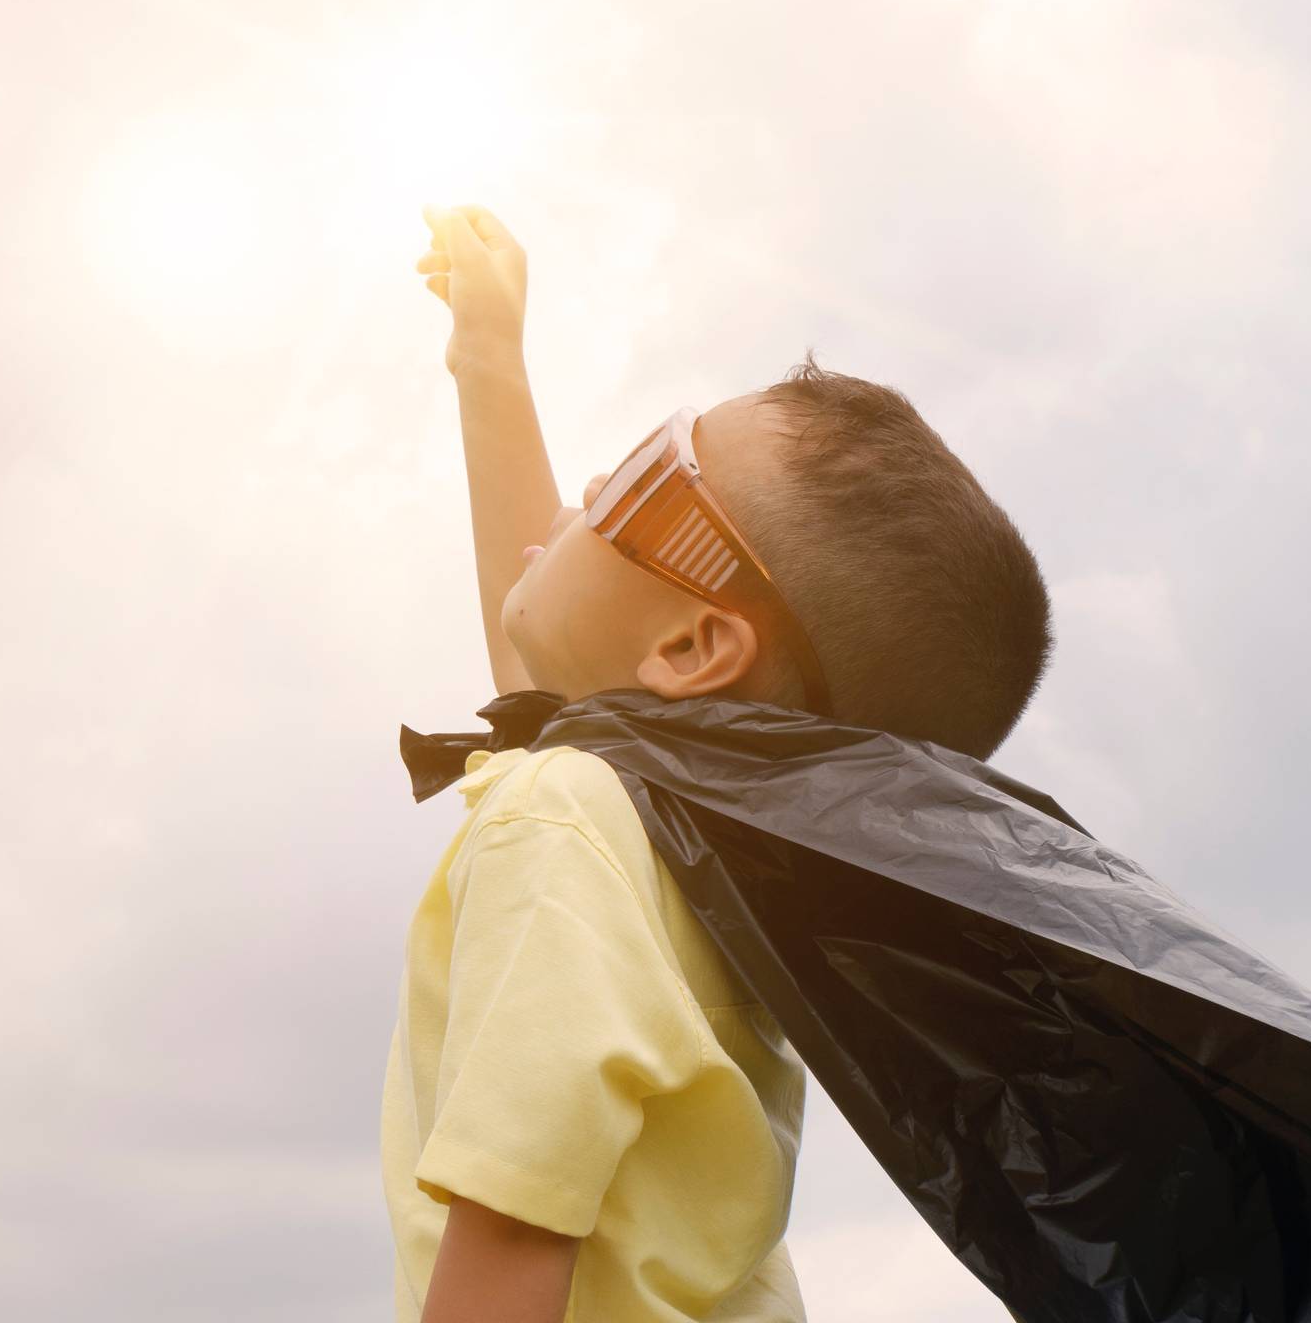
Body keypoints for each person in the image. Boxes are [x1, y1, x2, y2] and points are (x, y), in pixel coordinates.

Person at [381, 205, 1054, 1322]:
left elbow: (512, 1229)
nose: (595, 478)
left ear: (693, 645)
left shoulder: (566, 816)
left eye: (647, 476)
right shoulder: (701, 836)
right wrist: (488, 358)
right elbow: (546, 657)